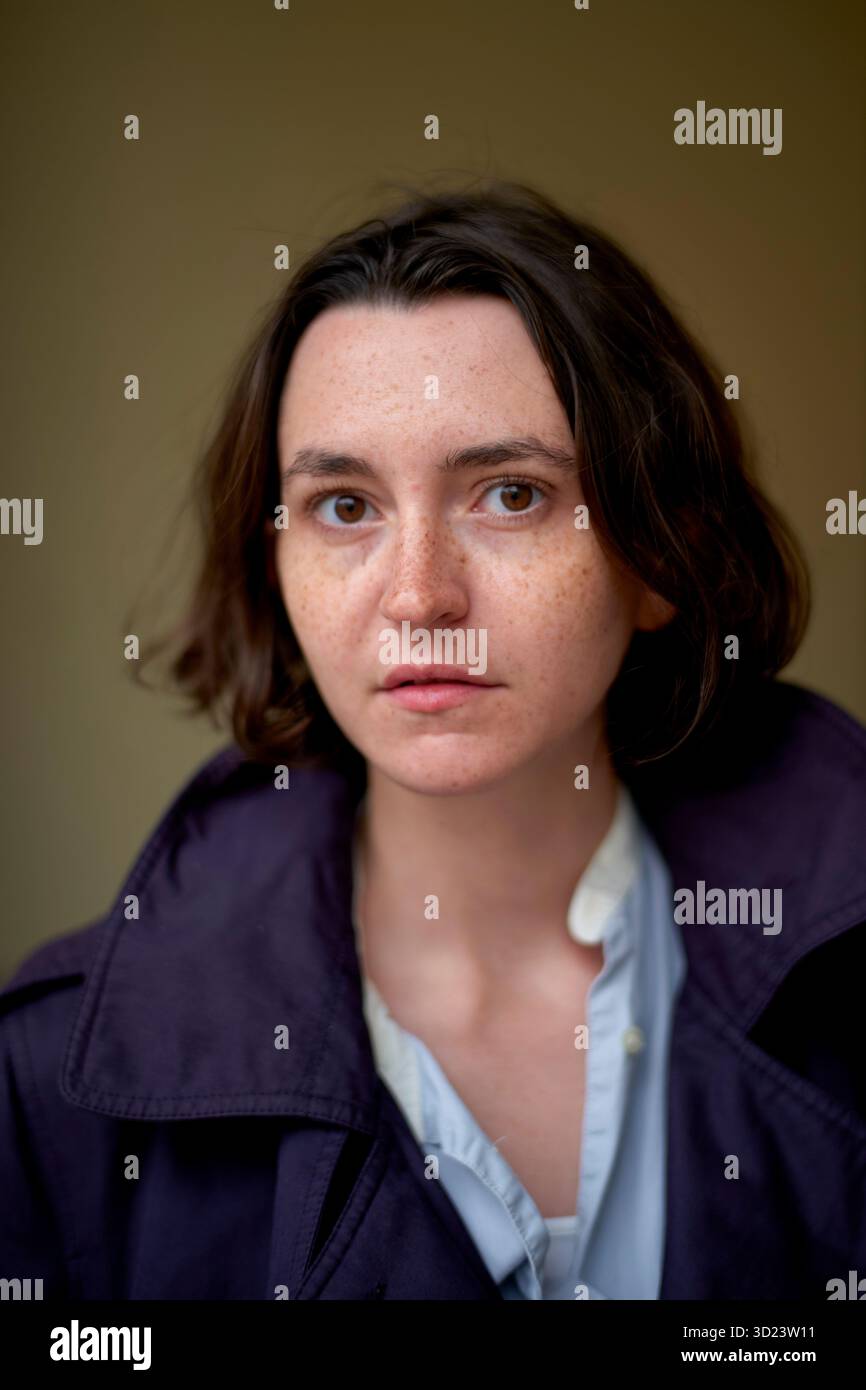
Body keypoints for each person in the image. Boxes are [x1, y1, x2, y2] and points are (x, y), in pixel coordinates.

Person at [2, 180, 865, 1302]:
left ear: (661, 549)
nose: (416, 595)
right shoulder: (54, 1076)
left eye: (508, 494)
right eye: (344, 507)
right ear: (274, 562)